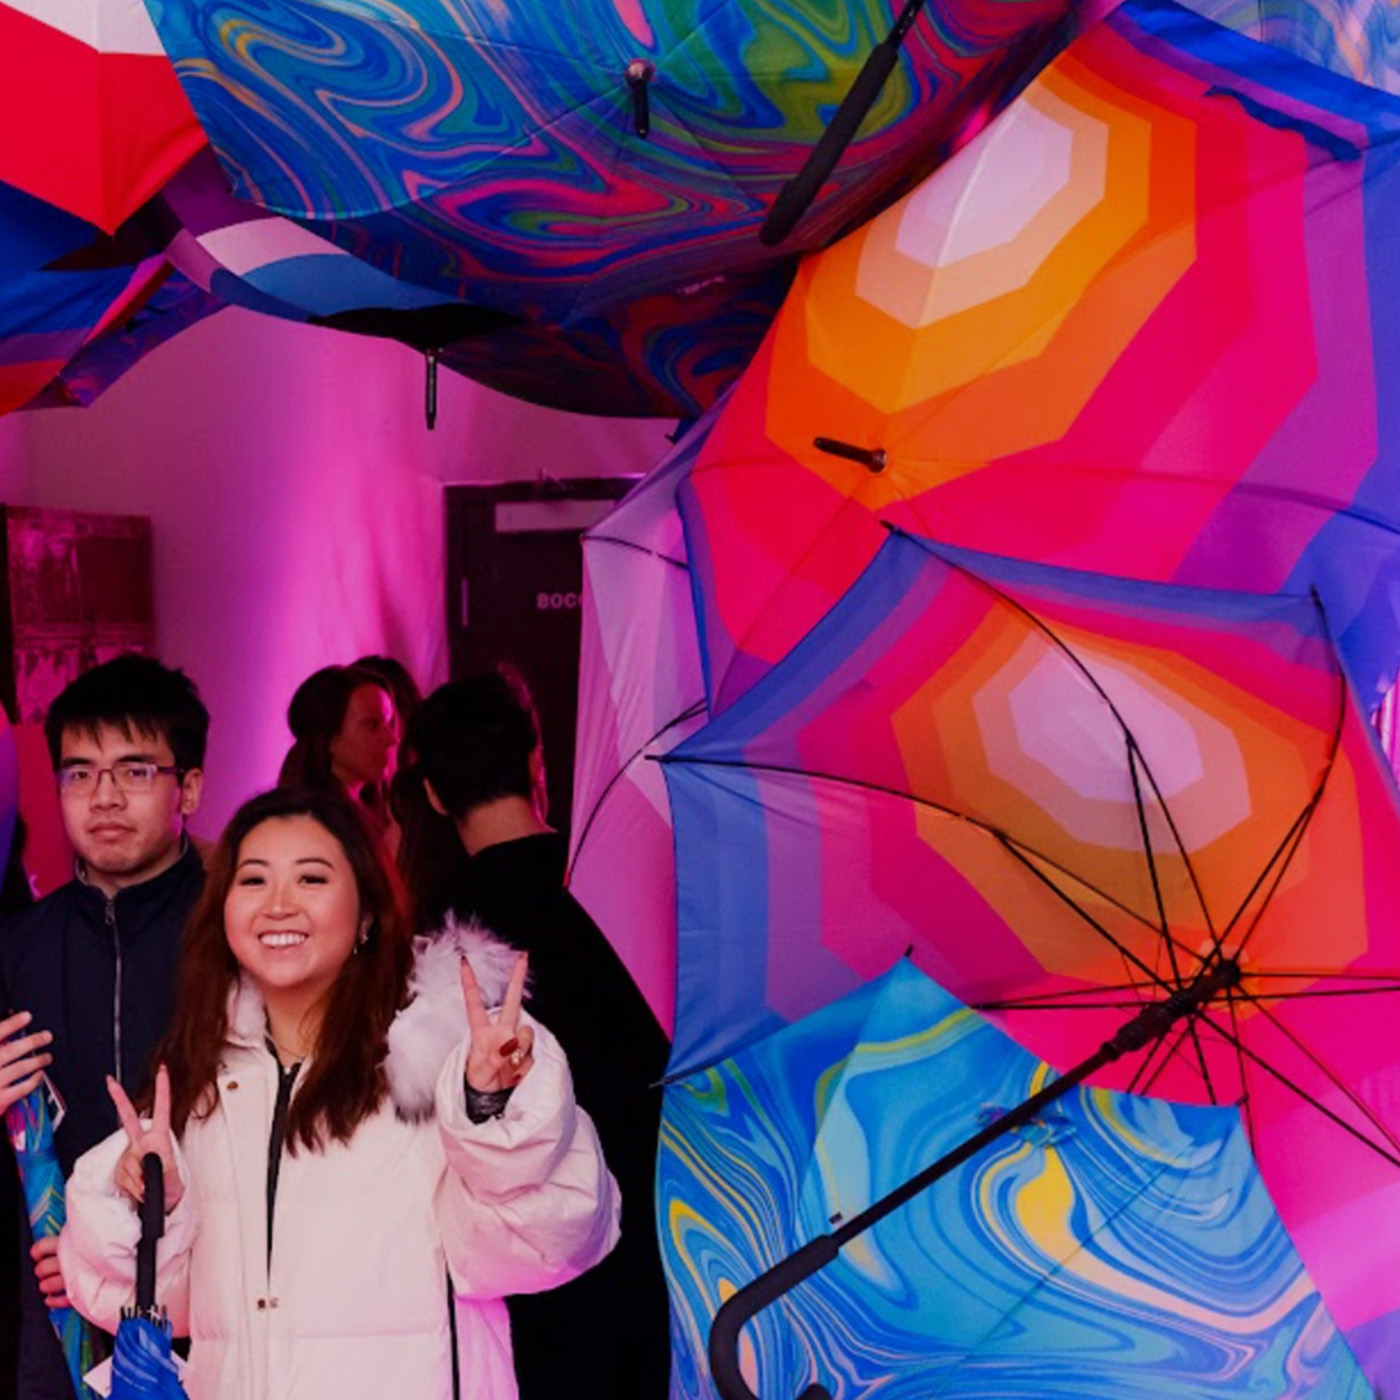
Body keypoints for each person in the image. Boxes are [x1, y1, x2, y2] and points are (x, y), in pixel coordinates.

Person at [58, 787, 619, 1400]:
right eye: (253, 881)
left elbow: (546, 1247)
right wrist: (149, 1201)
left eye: (311, 879)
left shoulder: (430, 1065)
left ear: (367, 914)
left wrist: (489, 1110)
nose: (278, 905)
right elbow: (161, 1303)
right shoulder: (201, 1081)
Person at [408, 671, 673, 1399]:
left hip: (523, 1242)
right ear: (535, 765)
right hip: (657, 1195)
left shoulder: (440, 927)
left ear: (432, 794)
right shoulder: (621, 873)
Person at [0, 654, 208, 1397]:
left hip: (215, 1309)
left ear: (189, 785)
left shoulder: (239, 929)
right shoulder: (18, 948)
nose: (104, 797)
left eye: (135, 770)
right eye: (79, 773)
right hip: (59, 1321)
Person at [278, 665, 398, 853]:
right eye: (372, 724)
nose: (392, 738)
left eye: (389, 723)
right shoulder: (316, 825)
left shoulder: (372, 818)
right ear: (329, 738)